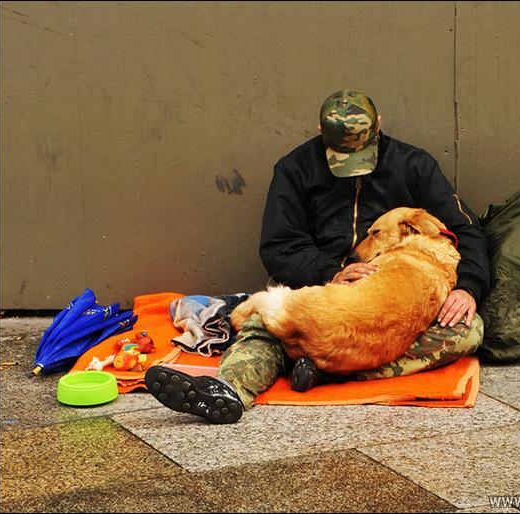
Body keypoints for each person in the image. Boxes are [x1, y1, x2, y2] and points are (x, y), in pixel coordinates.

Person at [146, 89, 491, 424]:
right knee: (264, 326)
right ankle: (228, 390)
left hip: (391, 303)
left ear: (379, 126)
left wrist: (468, 288)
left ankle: (325, 370)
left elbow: (466, 230)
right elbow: (279, 246)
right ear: (320, 133)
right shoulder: (295, 169)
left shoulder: (414, 165)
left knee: (466, 331)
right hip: (321, 290)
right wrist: (333, 271)